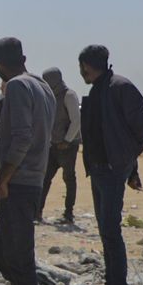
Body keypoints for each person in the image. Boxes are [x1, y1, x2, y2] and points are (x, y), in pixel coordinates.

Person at [76, 45, 143, 285]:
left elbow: (140, 131)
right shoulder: (99, 89)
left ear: (87, 65)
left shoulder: (120, 87)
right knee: (105, 229)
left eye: (81, 67)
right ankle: (112, 283)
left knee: (110, 229)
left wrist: (126, 163)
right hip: (98, 168)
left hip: (111, 169)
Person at [0, 38, 54, 285]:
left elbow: (22, 137)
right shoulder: (43, 86)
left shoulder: (17, 85)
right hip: (34, 178)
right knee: (4, 254)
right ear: (23, 58)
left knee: (17, 256)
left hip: (18, 181)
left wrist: (3, 178)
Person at [39, 67, 81, 225]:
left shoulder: (68, 95)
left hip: (68, 146)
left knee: (69, 179)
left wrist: (67, 140)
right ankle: (37, 212)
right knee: (45, 178)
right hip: (53, 145)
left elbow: (76, 121)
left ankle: (68, 214)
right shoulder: (48, 96)